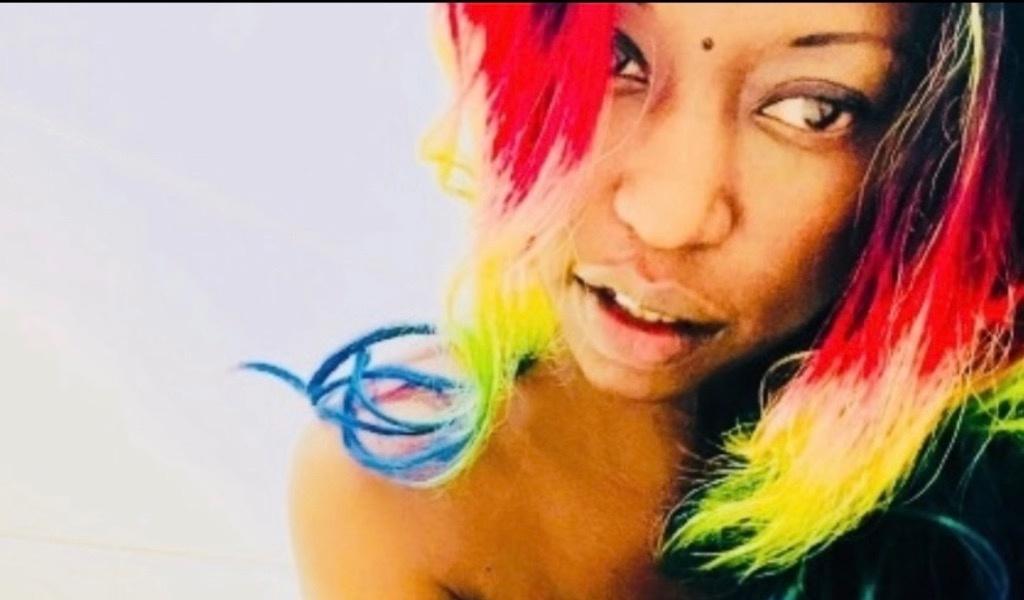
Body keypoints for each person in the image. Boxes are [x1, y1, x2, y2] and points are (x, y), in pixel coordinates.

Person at [246, 3, 1024, 598]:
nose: (667, 217)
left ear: (952, 150)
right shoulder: (399, 501)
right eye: (612, 55)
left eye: (814, 109)